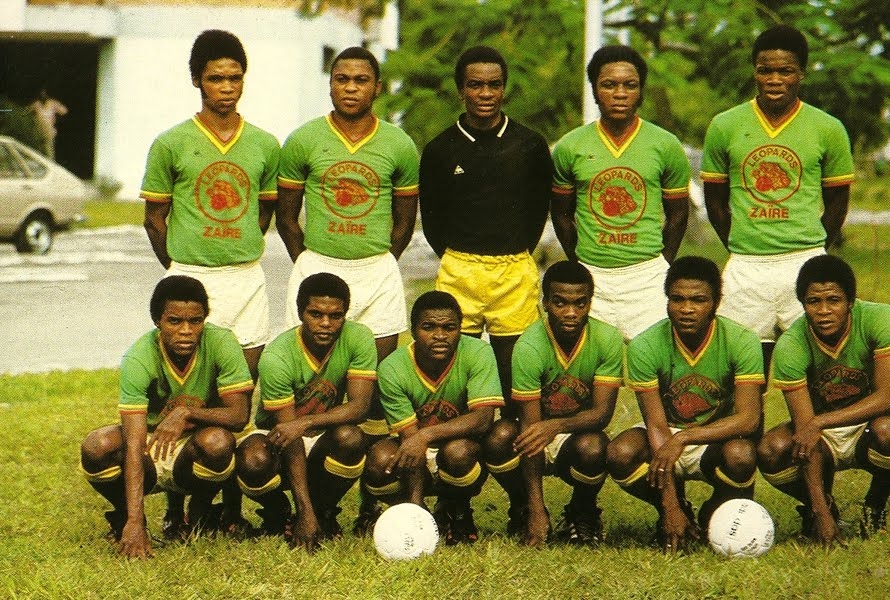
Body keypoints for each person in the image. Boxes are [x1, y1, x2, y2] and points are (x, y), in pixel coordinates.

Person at [140, 29, 280, 535]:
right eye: (216, 78)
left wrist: (233, 250)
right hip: (190, 275)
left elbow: (262, 213)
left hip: (245, 279)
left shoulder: (264, 144)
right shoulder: (171, 142)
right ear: (197, 80)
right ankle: (179, 505)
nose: (227, 87)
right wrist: (182, 273)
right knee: (186, 391)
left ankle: (228, 508)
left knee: (236, 396)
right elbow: (155, 219)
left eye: (235, 78)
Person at [701, 24, 854, 371]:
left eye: (785, 71)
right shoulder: (725, 125)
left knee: (820, 369)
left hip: (805, 260)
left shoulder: (828, 128)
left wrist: (814, 248)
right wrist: (741, 243)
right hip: (746, 266)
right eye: (764, 70)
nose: (774, 80)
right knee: (743, 370)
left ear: (801, 73)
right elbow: (715, 202)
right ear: (754, 72)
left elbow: (837, 204)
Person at [79, 276, 253, 559]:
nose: (186, 331)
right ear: (157, 321)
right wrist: (135, 520)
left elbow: (239, 416)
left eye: (195, 321)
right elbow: (134, 443)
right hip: (150, 444)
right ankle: (124, 518)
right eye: (174, 321)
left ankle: (199, 512)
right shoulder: (139, 356)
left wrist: (186, 413)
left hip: (196, 442)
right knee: (97, 445)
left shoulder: (221, 342)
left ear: (204, 320)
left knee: (219, 442)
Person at [419, 45, 553, 407]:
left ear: (504, 89)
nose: (485, 94)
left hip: (513, 269)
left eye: (494, 85)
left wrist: (513, 250)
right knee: (455, 370)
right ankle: (461, 439)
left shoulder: (529, 145)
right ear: (460, 90)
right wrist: (458, 256)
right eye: (475, 85)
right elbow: (432, 217)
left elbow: (538, 210)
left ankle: (509, 436)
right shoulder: (440, 149)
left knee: (514, 370)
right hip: (459, 269)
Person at [606, 256, 764, 554]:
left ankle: (715, 510)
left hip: (717, 435)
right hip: (665, 432)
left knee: (741, 455)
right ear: (667, 301)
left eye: (698, 300)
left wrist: (685, 437)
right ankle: (680, 509)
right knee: (620, 453)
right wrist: (670, 506)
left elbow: (748, 419)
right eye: (677, 299)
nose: (687, 309)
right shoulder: (645, 345)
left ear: (716, 302)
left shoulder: (742, 340)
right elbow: (656, 424)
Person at [277, 46, 419, 364]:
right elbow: (286, 218)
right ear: (330, 85)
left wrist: (382, 262)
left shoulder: (399, 144)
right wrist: (308, 264)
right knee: (312, 375)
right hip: (318, 265)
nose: (351, 88)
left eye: (361, 80)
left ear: (377, 87)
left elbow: (405, 221)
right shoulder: (303, 139)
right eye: (342, 79)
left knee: (374, 378)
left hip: (376, 272)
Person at [550, 45, 690, 341]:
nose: (620, 94)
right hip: (592, 276)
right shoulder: (570, 146)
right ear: (594, 90)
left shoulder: (665, 144)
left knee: (652, 361)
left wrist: (662, 264)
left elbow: (678, 214)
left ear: (641, 91)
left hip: (647, 276)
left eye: (630, 85)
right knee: (592, 363)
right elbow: (561, 213)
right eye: (609, 85)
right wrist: (579, 262)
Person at [234, 273, 377, 551]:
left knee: (351, 438)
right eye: (316, 314)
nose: (326, 323)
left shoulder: (358, 337)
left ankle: (324, 511)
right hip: (277, 437)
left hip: (323, 433)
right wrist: (304, 512)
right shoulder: (277, 356)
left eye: (335, 316)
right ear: (300, 313)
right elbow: (288, 434)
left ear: (345, 315)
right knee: (253, 461)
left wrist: (306, 422)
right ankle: (279, 511)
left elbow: (360, 406)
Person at [484, 261, 623, 547]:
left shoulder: (607, 339)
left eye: (580, 303)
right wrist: (538, 509)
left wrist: (557, 425)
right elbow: (532, 431)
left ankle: (582, 511)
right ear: (545, 302)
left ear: (590, 303)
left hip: (578, 433)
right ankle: (524, 506)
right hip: (535, 430)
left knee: (595, 446)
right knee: (499, 438)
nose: (571, 313)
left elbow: (602, 414)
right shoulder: (529, 346)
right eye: (560, 303)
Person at [758, 255, 890, 547]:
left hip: (870, 422)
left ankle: (876, 502)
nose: (824, 311)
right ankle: (823, 508)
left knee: (887, 431)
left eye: (834, 300)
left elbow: (886, 397)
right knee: (772, 450)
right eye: (813, 302)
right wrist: (820, 511)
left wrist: (820, 421)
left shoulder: (879, 319)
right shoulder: (792, 345)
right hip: (823, 435)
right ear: (802, 304)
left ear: (851, 302)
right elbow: (806, 430)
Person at [360, 291, 503, 545]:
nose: (439, 336)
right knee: (379, 461)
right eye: (428, 327)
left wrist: (426, 434)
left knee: (458, 453)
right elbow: (410, 441)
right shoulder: (392, 368)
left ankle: (457, 508)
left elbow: (482, 419)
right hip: (413, 444)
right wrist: (417, 507)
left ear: (460, 329)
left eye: (449, 328)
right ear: (413, 331)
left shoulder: (478, 352)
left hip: (460, 446)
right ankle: (412, 511)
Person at [27, 88, 67, 159]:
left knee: (48, 153)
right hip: (38, 132)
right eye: (41, 94)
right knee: (37, 152)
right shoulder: (37, 104)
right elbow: (26, 111)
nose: (43, 95)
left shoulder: (52, 103)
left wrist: (56, 108)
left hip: (48, 132)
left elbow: (64, 111)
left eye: (44, 94)